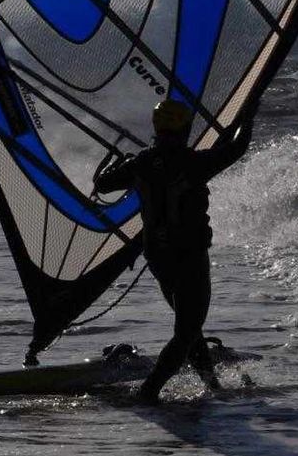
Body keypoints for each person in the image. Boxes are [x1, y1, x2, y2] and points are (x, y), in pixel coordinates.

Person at [93, 98, 244, 403]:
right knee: (187, 331)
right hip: (188, 258)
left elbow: (103, 184)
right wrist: (248, 114)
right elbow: (237, 149)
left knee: (190, 326)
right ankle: (149, 391)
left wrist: (121, 162)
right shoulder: (194, 163)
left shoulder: (140, 163)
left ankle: (212, 385)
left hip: (159, 258)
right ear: (186, 128)